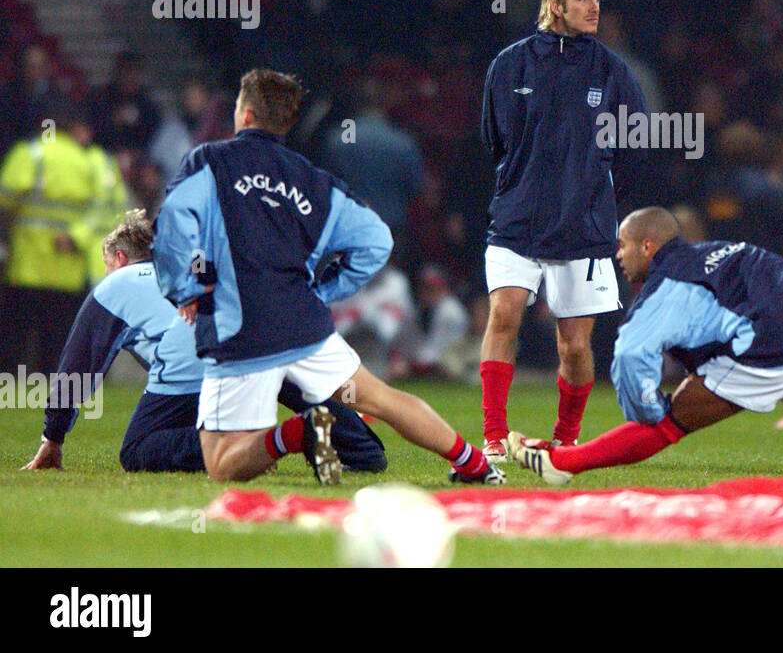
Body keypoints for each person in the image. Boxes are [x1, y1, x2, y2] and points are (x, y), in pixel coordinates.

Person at [151, 68, 501, 485]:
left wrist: (187, 288)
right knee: (384, 399)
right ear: (287, 122)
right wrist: (324, 289)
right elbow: (376, 241)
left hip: (240, 330)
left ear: (243, 116)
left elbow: (173, 225)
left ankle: (296, 431)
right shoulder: (312, 180)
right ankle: (475, 464)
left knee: (222, 464)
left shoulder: (208, 162)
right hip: (305, 324)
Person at [507, 207, 783, 490]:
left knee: (666, 425)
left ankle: (561, 464)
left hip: (768, 346)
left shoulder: (666, 284)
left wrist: (648, 413)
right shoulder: (726, 249)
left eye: (622, 245)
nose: (618, 255)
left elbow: (631, 355)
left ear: (648, 246)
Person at [21, 210, 386, 474]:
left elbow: (77, 368)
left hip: (199, 361)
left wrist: (53, 436)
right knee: (279, 373)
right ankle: (362, 449)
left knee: (137, 451)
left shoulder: (117, 284)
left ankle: (260, 444)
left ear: (119, 259)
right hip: (263, 340)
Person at [478, 0, 646, 460]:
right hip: (517, 220)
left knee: (574, 346)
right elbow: (493, 139)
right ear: (556, 5)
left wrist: (594, 187)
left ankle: (567, 441)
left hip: (584, 225)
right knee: (504, 315)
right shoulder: (509, 65)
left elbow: (634, 145)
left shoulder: (613, 71)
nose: (595, 8)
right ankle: (492, 439)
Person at [0, 99, 127, 375]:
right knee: (56, 345)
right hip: (67, 271)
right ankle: (50, 398)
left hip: (26, 266)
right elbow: (102, 208)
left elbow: (6, 198)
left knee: (14, 340)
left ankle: (9, 389)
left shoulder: (30, 154)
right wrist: (75, 236)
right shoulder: (88, 162)